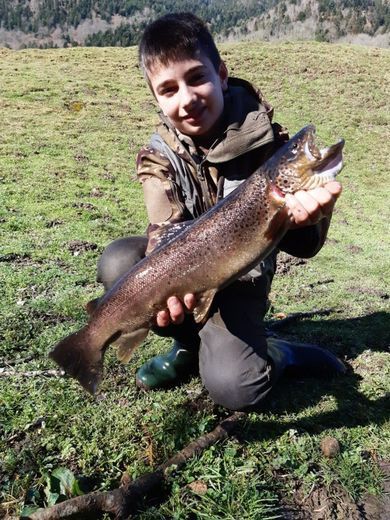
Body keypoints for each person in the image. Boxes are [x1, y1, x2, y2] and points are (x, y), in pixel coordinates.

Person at [96, 12, 345, 411]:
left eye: (197, 78)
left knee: (237, 389)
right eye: (169, 89)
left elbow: (305, 247)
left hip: (242, 281)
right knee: (120, 263)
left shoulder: (269, 146)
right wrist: (167, 301)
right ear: (157, 99)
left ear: (222, 75)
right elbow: (163, 235)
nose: (187, 98)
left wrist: (314, 216)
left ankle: (281, 353)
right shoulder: (157, 159)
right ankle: (186, 348)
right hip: (188, 272)